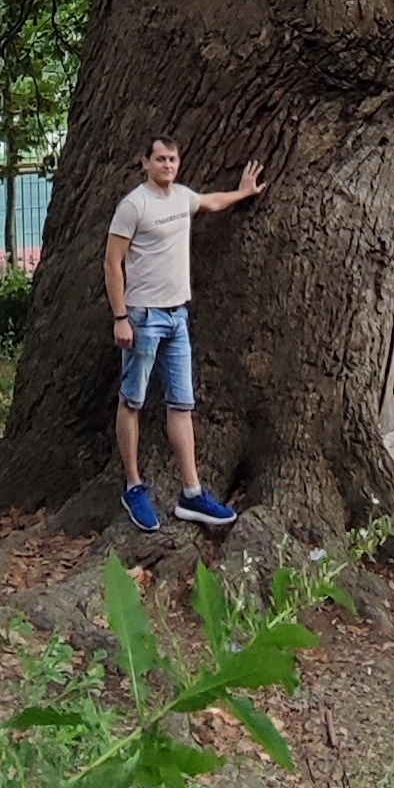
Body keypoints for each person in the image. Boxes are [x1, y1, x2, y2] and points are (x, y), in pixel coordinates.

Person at [105, 133, 265, 533]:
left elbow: (211, 202)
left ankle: (191, 493)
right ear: (145, 163)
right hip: (142, 317)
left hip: (177, 318)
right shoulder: (133, 206)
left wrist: (244, 192)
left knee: (181, 403)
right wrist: (120, 316)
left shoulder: (181, 197)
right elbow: (112, 263)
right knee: (133, 400)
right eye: (160, 159)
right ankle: (133, 486)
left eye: (172, 159)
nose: (167, 165)